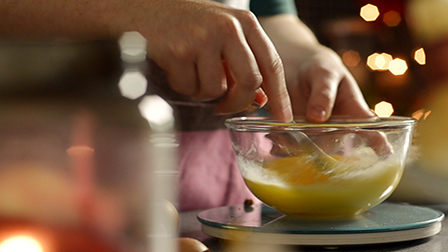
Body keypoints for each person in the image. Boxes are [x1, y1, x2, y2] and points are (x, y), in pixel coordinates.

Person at [0, 0, 375, 210]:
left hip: (220, 193)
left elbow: (269, 11)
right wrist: (138, 13)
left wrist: (301, 53)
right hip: (40, 178)